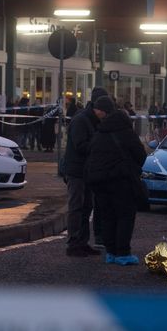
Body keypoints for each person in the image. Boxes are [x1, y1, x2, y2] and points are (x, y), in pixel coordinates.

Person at [85, 96, 147, 266]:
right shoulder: (127, 133)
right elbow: (141, 156)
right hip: (121, 181)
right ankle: (123, 253)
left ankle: (110, 252)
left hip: (99, 182)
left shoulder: (99, 133)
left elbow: (91, 155)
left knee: (107, 216)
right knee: (125, 216)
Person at [62, 87, 108, 257]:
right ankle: (73, 243)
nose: (105, 114)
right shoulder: (81, 120)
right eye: (104, 111)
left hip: (87, 171)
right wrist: (99, 145)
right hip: (76, 171)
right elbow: (80, 146)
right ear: (97, 107)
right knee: (76, 206)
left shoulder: (92, 120)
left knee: (87, 206)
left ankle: (82, 242)